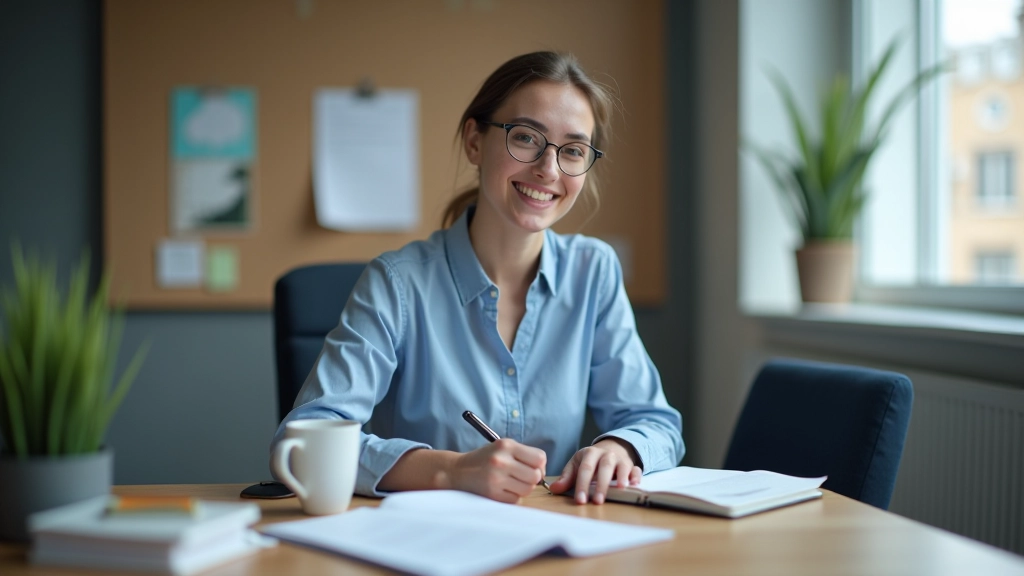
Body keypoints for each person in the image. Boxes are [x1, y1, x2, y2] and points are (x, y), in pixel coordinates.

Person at [272, 51, 683, 505]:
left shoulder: (593, 272)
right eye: (526, 138)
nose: (548, 170)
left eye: (572, 151)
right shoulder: (396, 283)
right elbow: (303, 441)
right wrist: (452, 470)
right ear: (474, 141)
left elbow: (657, 424)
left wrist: (619, 447)